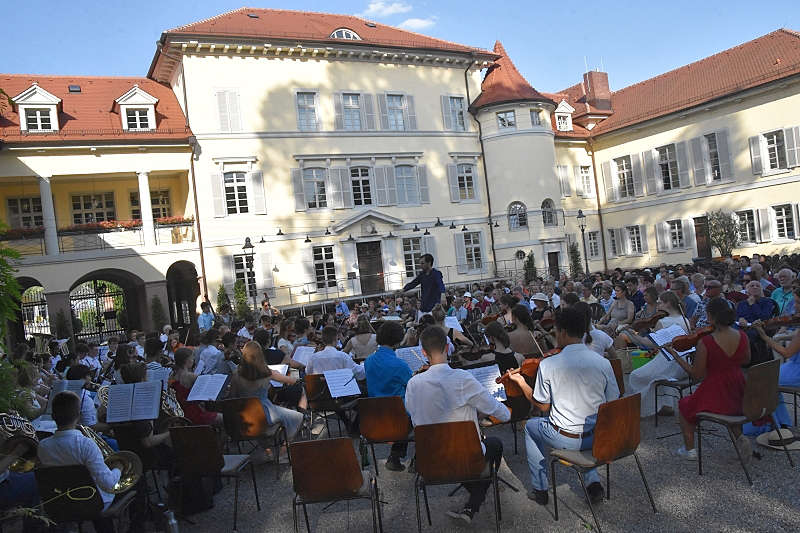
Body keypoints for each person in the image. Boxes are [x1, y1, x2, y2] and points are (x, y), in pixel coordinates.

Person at [508, 306, 619, 506]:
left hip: (566, 439)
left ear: (564, 333)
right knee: (584, 418)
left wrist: (522, 383)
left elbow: (542, 406)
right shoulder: (602, 362)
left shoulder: (549, 364)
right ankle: (593, 482)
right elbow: (613, 400)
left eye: (556, 331)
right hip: (599, 436)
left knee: (532, 427)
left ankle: (540, 489)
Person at [405, 326, 509, 524]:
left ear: (423, 352)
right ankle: (475, 500)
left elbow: (412, 414)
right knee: (493, 445)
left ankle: (472, 503)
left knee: (458, 448)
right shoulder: (462, 378)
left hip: (430, 460)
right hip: (464, 457)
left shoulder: (413, 384)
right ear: (448, 347)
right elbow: (502, 415)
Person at [669, 298, 751, 460]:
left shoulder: (706, 342)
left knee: (685, 406)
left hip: (716, 387)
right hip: (738, 385)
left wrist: (676, 356)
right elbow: (746, 360)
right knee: (732, 408)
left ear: (711, 317)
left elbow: (696, 375)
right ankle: (740, 438)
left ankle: (689, 450)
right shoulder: (742, 336)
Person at [38, 391, 122, 532]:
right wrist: (119, 468)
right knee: (126, 485)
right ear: (79, 416)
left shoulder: (43, 446)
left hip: (61, 502)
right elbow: (109, 483)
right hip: (93, 502)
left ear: (53, 417)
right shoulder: (85, 444)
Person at [627, 291, 691, 417]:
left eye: (660, 302)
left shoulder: (663, 322)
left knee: (635, 376)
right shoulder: (685, 319)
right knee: (657, 374)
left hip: (669, 361)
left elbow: (649, 344)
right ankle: (666, 405)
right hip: (684, 362)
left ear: (667, 304)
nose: (658, 305)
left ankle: (642, 409)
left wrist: (631, 333)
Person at [747, 287, 800, 434]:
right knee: (767, 377)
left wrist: (765, 337)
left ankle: (769, 423)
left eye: (798, 302)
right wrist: (782, 337)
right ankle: (781, 421)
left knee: (762, 379)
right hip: (795, 366)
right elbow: (795, 337)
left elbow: (787, 352)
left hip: (797, 369)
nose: (794, 306)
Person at [229, 341, 304, 443]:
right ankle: (283, 451)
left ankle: (267, 449)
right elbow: (292, 381)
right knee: (298, 417)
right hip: (266, 413)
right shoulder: (266, 372)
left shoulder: (236, 375)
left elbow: (232, 397)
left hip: (244, 416)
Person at [364, 321, 413, 471]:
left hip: (375, 415)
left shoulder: (368, 361)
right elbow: (412, 386)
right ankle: (419, 459)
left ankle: (395, 457)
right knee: (421, 408)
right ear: (397, 340)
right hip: (399, 417)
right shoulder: (400, 365)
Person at [170, 348, 223, 426]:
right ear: (187, 360)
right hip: (193, 414)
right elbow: (206, 388)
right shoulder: (190, 376)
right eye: (192, 358)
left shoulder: (172, 375)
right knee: (224, 418)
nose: (193, 360)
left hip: (181, 412)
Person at [736, 280, 776, 366]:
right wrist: (740, 319)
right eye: (752, 286)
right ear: (747, 290)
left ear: (762, 290)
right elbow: (737, 316)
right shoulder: (742, 303)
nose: (755, 287)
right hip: (742, 327)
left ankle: (749, 361)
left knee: (748, 335)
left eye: (757, 286)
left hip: (759, 328)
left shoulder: (767, 302)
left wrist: (753, 304)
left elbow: (765, 317)